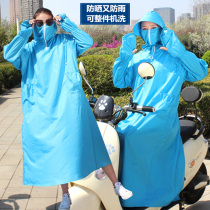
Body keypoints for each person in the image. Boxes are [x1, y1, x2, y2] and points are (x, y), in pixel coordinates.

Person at [4, 7, 133, 210]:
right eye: (39, 23)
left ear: (54, 24)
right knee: (59, 153)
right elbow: (9, 54)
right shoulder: (28, 50)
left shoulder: (65, 42)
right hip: (43, 108)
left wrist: (66, 23)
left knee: (94, 141)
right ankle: (66, 196)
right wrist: (23, 33)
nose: (44, 26)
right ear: (33, 25)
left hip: (69, 105)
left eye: (49, 22)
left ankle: (116, 184)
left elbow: (87, 42)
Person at [113, 11, 208, 208]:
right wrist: (123, 56)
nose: (149, 32)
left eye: (153, 28)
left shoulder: (175, 57)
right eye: (144, 29)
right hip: (136, 113)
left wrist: (179, 51)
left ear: (162, 30)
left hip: (162, 116)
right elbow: (119, 81)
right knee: (118, 135)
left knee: (132, 137)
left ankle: (146, 198)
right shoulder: (138, 56)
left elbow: (199, 72)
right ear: (139, 31)